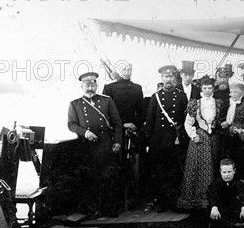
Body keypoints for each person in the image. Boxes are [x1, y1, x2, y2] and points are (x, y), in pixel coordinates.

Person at [67, 72, 123, 218]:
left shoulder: (107, 101)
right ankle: (93, 210)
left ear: (96, 85)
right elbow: (71, 124)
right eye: (87, 85)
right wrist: (85, 132)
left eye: (92, 85)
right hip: (86, 146)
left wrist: (117, 141)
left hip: (105, 144)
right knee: (90, 178)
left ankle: (109, 209)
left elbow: (117, 123)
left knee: (108, 177)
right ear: (82, 86)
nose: (90, 88)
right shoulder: (75, 104)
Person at [144, 65, 188, 212]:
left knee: (174, 172)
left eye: (171, 77)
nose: (168, 80)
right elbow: (150, 120)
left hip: (174, 140)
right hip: (159, 141)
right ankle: (161, 202)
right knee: (160, 172)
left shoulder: (181, 96)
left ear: (175, 79)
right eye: (166, 77)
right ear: (162, 79)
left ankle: (173, 202)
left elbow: (185, 118)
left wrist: (181, 136)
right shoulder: (155, 97)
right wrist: (148, 141)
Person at [178, 75, 226, 210]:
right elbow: (188, 123)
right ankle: (195, 200)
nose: (207, 91)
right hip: (199, 139)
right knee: (197, 169)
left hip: (214, 139)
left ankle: (211, 200)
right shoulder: (195, 103)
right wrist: (193, 135)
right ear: (201, 88)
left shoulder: (219, 103)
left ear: (213, 89)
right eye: (205, 88)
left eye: (210, 88)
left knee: (213, 167)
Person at [101, 62, 144, 208]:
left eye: (129, 69)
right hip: (115, 133)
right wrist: (123, 125)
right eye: (124, 69)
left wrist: (134, 126)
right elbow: (105, 112)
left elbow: (141, 112)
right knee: (115, 166)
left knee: (132, 168)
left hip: (132, 133)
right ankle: (116, 202)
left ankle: (130, 201)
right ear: (118, 70)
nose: (127, 71)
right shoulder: (109, 88)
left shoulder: (137, 88)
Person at [220, 81, 244, 178]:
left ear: (242, 92)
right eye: (231, 92)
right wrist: (229, 126)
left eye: (235, 92)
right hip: (231, 139)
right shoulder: (227, 103)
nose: (232, 94)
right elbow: (220, 120)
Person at [207, 158, 244, 228]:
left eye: (229, 172)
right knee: (207, 211)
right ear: (220, 172)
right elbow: (212, 198)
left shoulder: (240, 184)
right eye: (224, 172)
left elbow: (243, 198)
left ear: (234, 171)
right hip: (221, 210)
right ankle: (233, 224)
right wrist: (214, 207)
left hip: (234, 210)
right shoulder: (214, 184)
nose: (227, 175)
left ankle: (227, 224)